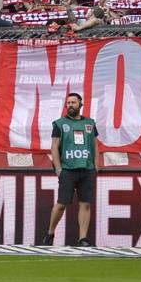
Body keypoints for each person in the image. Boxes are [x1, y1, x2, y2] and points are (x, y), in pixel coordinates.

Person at [42, 92, 100, 246]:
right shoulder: (59, 124)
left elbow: (95, 145)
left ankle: (83, 238)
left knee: (85, 204)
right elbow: (54, 147)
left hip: (87, 169)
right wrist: (58, 169)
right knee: (62, 204)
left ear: (80, 104)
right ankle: (50, 233)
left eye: (73, 102)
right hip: (68, 169)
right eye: (68, 103)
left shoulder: (90, 123)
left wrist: (96, 166)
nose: (70, 105)